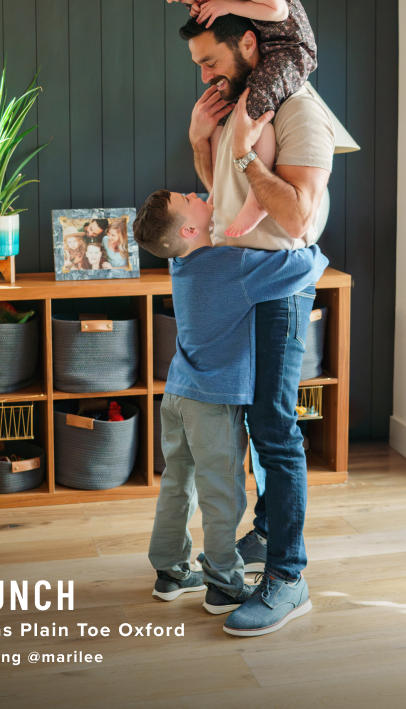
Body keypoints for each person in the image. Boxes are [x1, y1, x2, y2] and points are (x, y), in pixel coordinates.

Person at [183, 13, 335, 637]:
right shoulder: (236, 105)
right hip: (234, 279)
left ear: (248, 44)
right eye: (198, 65)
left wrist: (243, 150)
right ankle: (270, 532)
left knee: (275, 426)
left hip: (276, 287)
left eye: (211, 61)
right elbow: (221, 195)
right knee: (245, 416)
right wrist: (202, 139)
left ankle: (289, 576)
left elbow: (296, 217)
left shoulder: (299, 114)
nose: (204, 75)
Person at [132, 186, 327, 617]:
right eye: (189, 198)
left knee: (177, 485)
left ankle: (171, 571)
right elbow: (308, 265)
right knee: (222, 497)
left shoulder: (180, 262)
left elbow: (205, 204)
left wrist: (213, 200)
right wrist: (312, 241)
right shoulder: (231, 265)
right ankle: (223, 584)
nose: (196, 192)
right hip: (213, 404)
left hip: (177, 393)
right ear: (189, 227)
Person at [136, 0, 316, 238]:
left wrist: (225, 4)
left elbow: (278, 11)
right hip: (265, 46)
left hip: (289, 48)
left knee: (252, 108)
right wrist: (205, 7)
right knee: (225, 114)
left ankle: (258, 201)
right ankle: (221, 195)